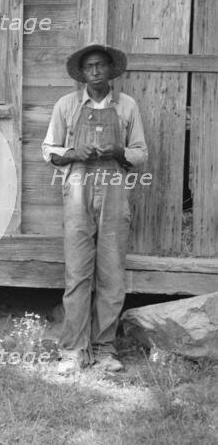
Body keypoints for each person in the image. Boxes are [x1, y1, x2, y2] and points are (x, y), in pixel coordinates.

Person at [42, 43, 148, 374]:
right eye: (90, 67)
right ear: (82, 73)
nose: (96, 71)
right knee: (77, 273)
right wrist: (75, 153)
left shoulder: (127, 106)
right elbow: (49, 150)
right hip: (78, 191)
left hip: (115, 191)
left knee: (112, 274)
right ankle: (73, 350)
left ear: (111, 70)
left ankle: (104, 349)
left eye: (101, 65)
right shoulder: (66, 105)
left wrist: (118, 150)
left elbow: (140, 152)